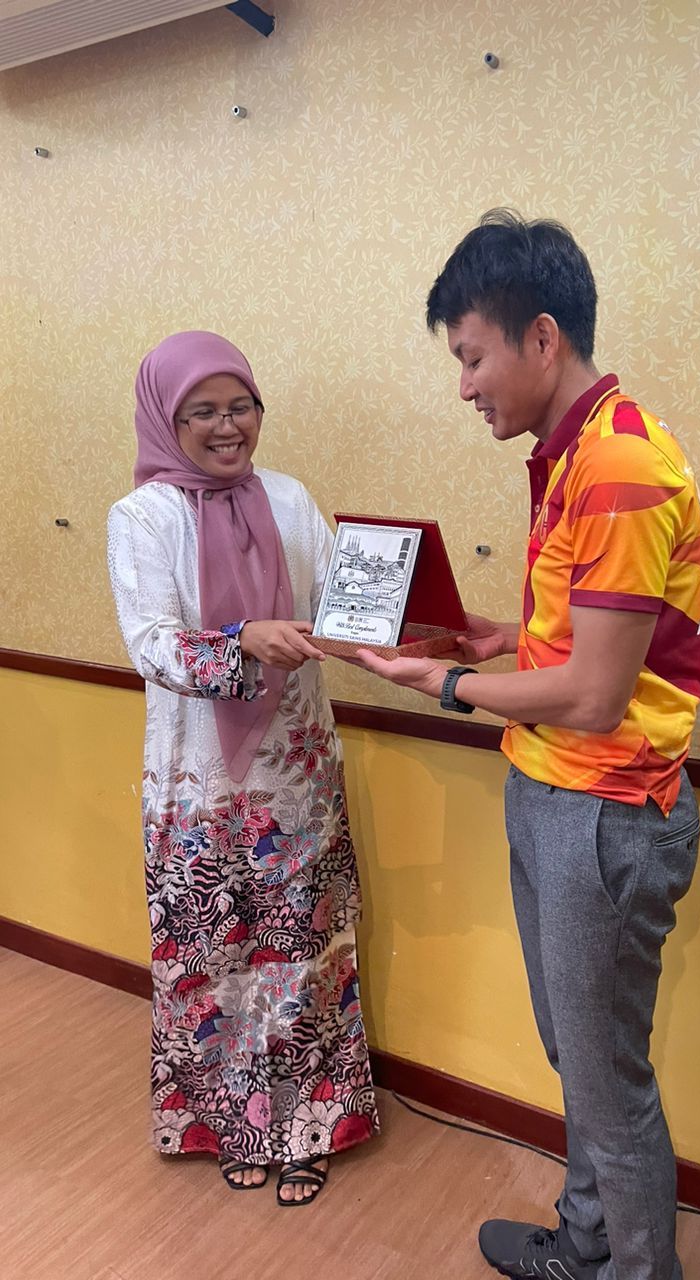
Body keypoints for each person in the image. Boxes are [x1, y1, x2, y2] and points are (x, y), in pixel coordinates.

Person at [349, 212, 700, 1279]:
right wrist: (502, 637)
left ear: (541, 338)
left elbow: (596, 695)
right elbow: (599, 638)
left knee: (607, 1082)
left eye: (472, 357)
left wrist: (447, 682)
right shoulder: (575, 454)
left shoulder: (620, 465)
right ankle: (588, 1245)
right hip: (554, 788)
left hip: (603, 809)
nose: (464, 386)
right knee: (579, 1057)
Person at [107, 331, 378, 1206]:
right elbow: (152, 644)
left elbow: (342, 608)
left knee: (306, 955)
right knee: (211, 960)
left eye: (242, 407)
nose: (229, 427)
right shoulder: (142, 518)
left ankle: (310, 1126)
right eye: (203, 412)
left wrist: (400, 611)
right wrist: (241, 640)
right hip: (198, 788)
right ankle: (236, 1124)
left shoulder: (292, 500)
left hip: (297, 776)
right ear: (167, 418)